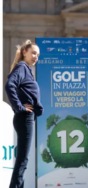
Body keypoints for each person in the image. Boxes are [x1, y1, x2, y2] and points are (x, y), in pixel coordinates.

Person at [5, 40, 43, 188]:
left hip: (26, 117)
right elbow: (9, 85)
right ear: (24, 52)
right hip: (24, 117)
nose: (36, 57)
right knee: (22, 159)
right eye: (33, 53)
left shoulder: (25, 69)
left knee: (23, 159)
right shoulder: (22, 67)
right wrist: (19, 107)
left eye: (38, 55)